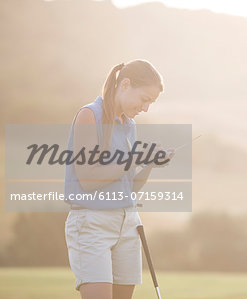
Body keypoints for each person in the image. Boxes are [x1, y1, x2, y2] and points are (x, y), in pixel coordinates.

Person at [64, 59, 167, 299]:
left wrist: (150, 163)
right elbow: (88, 180)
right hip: (92, 224)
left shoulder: (128, 125)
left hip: (127, 222)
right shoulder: (89, 115)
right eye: (145, 99)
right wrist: (133, 160)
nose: (146, 108)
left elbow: (128, 188)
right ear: (125, 85)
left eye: (151, 103)